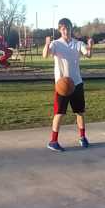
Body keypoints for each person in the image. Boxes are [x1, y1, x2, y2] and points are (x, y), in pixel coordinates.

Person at [42, 18, 93, 152]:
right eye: (63, 29)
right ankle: (53, 141)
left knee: (80, 112)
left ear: (71, 29)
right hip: (62, 85)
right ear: (60, 30)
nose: (66, 31)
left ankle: (82, 137)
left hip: (76, 83)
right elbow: (45, 56)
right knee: (59, 113)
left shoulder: (77, 44)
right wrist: (47, 44)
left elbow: (88, 55)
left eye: (68, 28)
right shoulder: (56, 44)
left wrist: (90, 46)